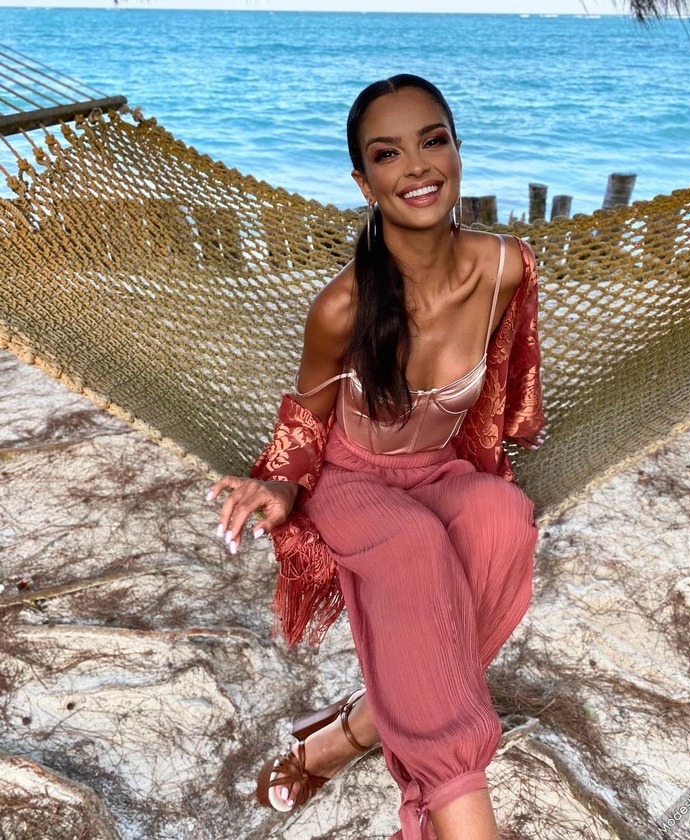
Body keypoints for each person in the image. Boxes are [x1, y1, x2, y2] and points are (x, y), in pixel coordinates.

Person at [206, 74, 546, 840]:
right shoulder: (342, 307)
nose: (417, 166)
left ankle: (356, 727)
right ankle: (452, 800)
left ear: (457, 149)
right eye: (388, 154)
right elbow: (306, 419)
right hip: (350, 479)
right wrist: (280, 486)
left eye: (433, 140)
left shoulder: (508, 268)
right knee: (417, 545)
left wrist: (518, 436)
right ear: (364, 182)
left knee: (504, 519)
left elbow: (515, 372)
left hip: (440, 468)